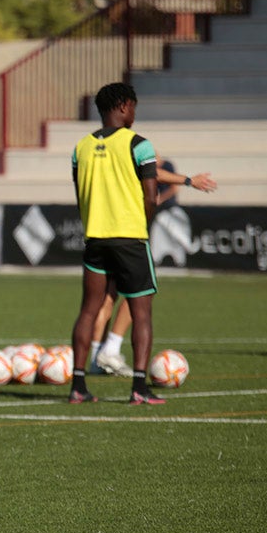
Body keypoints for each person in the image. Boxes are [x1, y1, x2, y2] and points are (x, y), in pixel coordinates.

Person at [68, 82, 162, 405]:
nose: (135, 114)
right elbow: (151, 196)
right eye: (134, 106)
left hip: (95, 238)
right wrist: (142, 225)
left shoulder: (80, 147)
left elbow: (79, 191)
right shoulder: (140, 144)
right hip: (130, 237)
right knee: (141, 311)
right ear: (123, 106)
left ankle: (77, 386)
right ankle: (139, 387)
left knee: (88, 311)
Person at [90, 160, 218, 376]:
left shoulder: (99, 153)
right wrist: (188, 180)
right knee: (140, 291)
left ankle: (95, 360)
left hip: (102, 230)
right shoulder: (132, 147)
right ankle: (110, 349)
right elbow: (152, 172)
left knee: (108, 297)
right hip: (127, 234)